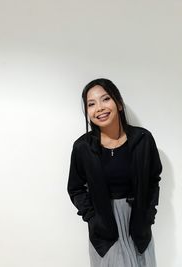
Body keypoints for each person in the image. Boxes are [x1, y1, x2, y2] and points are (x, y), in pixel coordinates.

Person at [67, 78, 162, 267]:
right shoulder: (82, 147)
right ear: (87, 112)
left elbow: (153, 180)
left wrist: (148, 215)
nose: (99, 108)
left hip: (138, 225)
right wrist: (93, 219)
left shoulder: (143, 139)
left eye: (105, 99)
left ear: (118, 103)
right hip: (104, 228)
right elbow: (76, 188)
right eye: (91, 104)